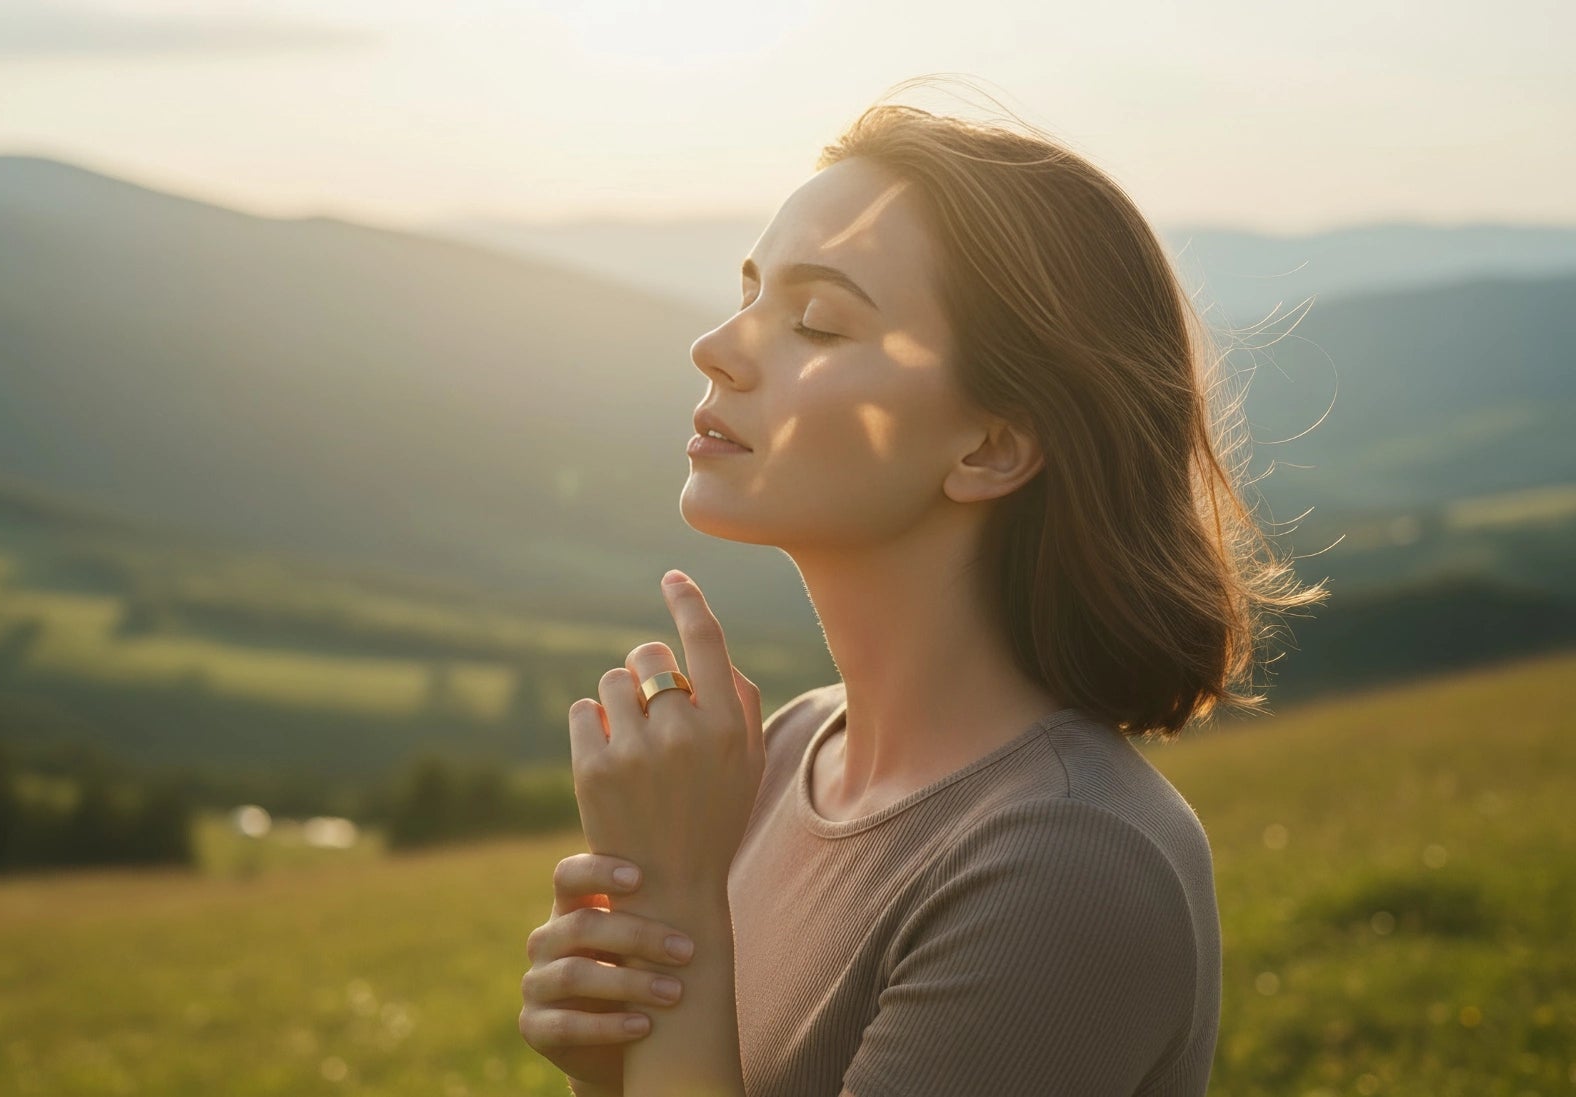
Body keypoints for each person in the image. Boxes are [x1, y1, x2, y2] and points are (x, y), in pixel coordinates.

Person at [519, 84, 1327, 1097]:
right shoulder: (773, 762)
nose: (716, 347)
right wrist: (615, 1063)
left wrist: (676, 917)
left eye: (815, 322)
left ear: (991, 444)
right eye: (749, 292)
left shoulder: (1068, 860)